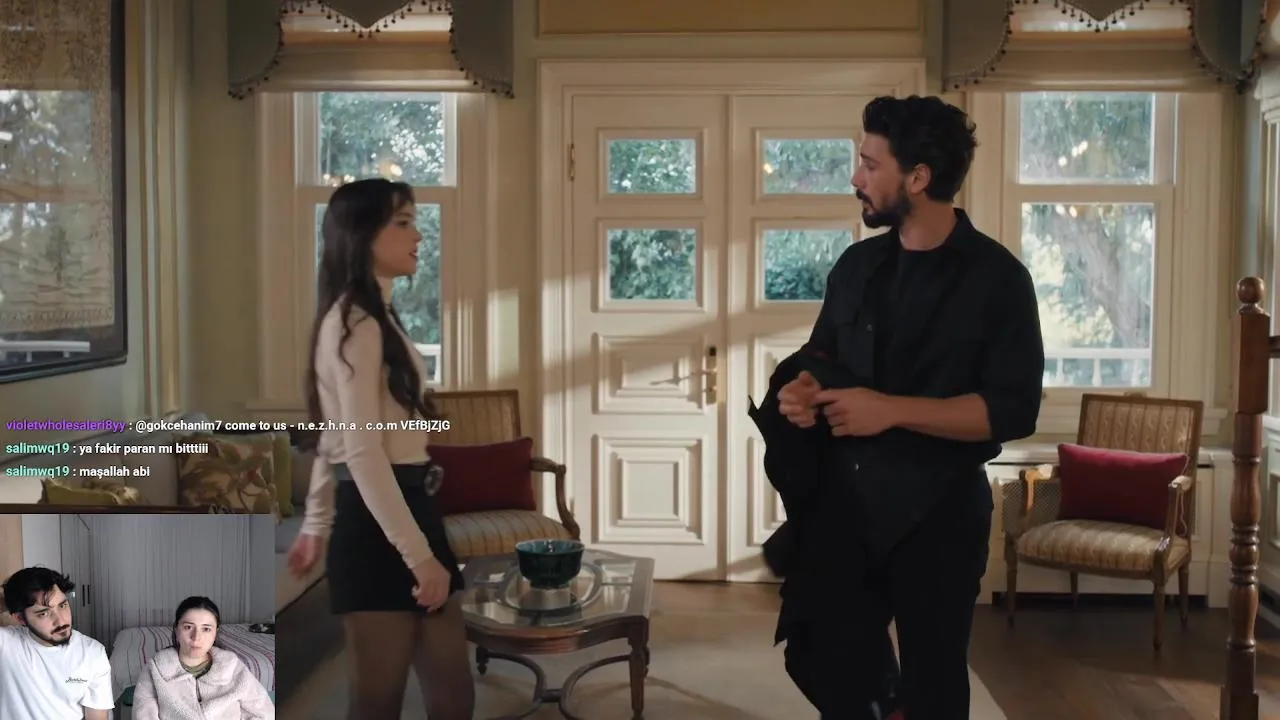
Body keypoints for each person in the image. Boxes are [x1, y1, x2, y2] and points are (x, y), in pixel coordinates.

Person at [776, 95, 1045, 719]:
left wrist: (890, 410)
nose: (856, 177)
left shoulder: (1000, 280)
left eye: (871, 165)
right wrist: (801, 391)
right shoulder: (856, 266)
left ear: (918, 177)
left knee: (934, 687)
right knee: (821, 655)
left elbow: (1011, 411)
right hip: (848, 507)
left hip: (940, 517)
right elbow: (820, 358)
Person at [287, 177, 474, 720]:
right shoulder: (353, 324)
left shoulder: (378, 316)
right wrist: (418, 557)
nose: (419, 235)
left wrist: (313, 522)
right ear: (362, 234)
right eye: (404, 222)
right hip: (375, 530)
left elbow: (336, 435)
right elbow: (360, 451)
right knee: (377, 703)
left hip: (410, 506)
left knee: (453, 696)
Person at [131, 596, 274, 719]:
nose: (196, 637)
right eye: (188, 627)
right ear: (176, 629)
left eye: (206, 629)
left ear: (215, 632)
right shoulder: (156, 669)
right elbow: (143, 714)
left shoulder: (233, 666)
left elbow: (264, 712)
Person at [0, 567, 113, 720]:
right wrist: (8, 600)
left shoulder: (93, 653)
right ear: (20, 619)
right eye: (44, 613)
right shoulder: (6, 644)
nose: (61, 621)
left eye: (62, 605)